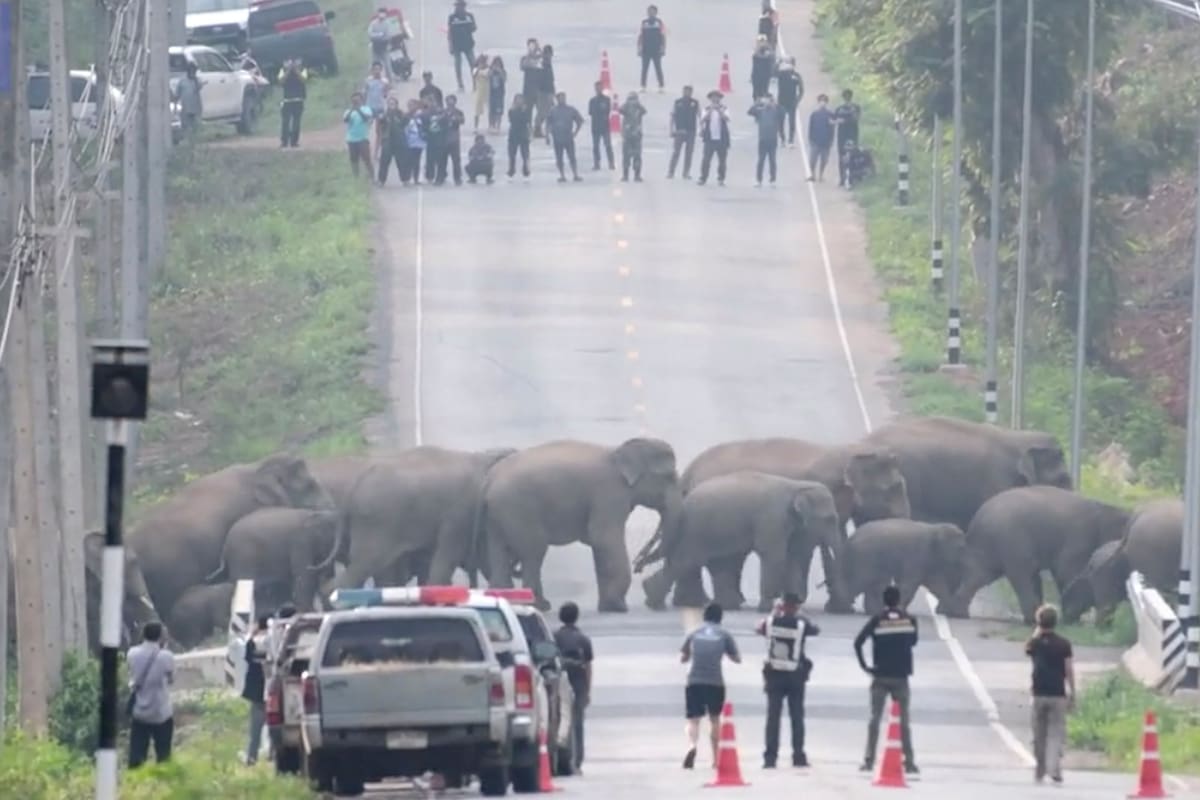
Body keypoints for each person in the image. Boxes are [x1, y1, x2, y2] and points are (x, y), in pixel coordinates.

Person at [853, 585, 919, 775]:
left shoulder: (877, 620)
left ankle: (869, 760)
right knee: (903, 722)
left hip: (880, 676)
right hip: (901, 677)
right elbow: (914, 642)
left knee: (874, 719)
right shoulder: (910, 619)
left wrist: (865, 666)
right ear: (899, 600)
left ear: (883, 601)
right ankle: (910, 762)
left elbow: (858, 642)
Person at [756, 593, 819, 768]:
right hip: (795, 677)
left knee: (772, 718)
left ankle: (770, 758)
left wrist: (774, 613)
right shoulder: (801, 624)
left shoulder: (769, 623)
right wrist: (801, 615)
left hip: (774, 675)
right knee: (797, 717)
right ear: (796, 607)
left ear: (782, 606)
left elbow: (758, 628)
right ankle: (798, 756)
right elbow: (815, 630)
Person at [680, 603, 741, 769]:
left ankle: (692, 746)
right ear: (720, 618)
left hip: (694, 681)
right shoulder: (724, 634)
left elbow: (683, 658)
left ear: (704, 617)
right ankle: (715, 759)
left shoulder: (693, 633)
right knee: (715, 719)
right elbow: (737, 659)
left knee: (693, 720)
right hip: (715, 682)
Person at [1025, 604, 1075, 785]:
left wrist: (1037, 630)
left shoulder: (1034, 643)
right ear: (1056, 622)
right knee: (1055, 732)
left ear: (1039, 622)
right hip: (1057, 693)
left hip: (1038, 693)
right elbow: (1068, 669)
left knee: (1038, 734)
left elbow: (1029, 649)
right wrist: (1073, 692)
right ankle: (1054, 767)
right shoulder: (1064, 644)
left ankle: (1040, 769)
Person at [127, 621, 176, 768]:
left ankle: (135, 782)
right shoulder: (166, 656)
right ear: (161, 637)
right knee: (163, 754)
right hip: (161, 713)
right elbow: (171, 680)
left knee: (137, 754)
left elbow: (132, 674)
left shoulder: (132, 653)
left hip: (140, 712)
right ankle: (162, 779)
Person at [554, 601, 594, 775]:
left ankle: (559, 756)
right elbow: (588, 666)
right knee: (577, 723)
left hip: (558, 682)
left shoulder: (553, 636)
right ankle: (577, 762)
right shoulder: (583, 639)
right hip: (579, 683)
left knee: (559, 720)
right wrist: (587, 691)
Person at [242, 613, 271, 765]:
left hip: (258, 693)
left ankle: (252, 758)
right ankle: (272, 755)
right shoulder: (276, 640)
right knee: (275, 726)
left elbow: (247, 657)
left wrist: (252, 634)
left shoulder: (253, 642)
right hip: (273, 690)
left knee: (256, 729)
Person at [547, 92, 584, 183]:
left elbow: (580, 120)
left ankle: (575, 174)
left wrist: (575, 132)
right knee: (559, 158)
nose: (562, 99)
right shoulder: (553, 111)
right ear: (557, 99)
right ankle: (562, 175)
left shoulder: (570, 110)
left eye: (563, 97)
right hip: (557, 138)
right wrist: (547, 135)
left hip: (568, 137)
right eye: (560, 98)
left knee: (572, 157)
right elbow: (548, 123)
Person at [748, 93, 782, 186]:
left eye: (769, 100)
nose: (767, 102)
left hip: (772, 139)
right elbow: (750, 112)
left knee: (772, 160)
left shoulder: (775, 111)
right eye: (765, 100)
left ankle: (772, 180)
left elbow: (782, 113)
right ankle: (759, 180)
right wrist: (757, 103)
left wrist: (775, 104)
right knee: (761, 160)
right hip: (763, 139)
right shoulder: (760, 111)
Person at [698, 90, 730, 187]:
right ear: (710, 99)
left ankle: (721, 178)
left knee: (722, 160)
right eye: (713, 97)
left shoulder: (724, 108)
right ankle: (703, 177)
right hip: (709, 139)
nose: (715, 99)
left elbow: (727, 118)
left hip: (722, 139)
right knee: (706, 159)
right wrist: (711, 110)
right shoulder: (706, 108)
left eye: (717, 97)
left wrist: (719, 110)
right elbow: (702, 120)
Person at [668, 85, 700, 180]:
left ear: (691, 92)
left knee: (689, 153)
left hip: (691, 131)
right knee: (676, 152)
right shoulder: (677, 102)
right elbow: (672, 117)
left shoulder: (695, 103)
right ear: (683, 92)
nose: (687, 93)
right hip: (679, 131)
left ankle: (686, 172)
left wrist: (702, 128)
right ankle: (671, 171)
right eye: (685, 91)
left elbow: (699, 115)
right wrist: (671, 129)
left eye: (689, 91)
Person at [377, 96, 409, 186]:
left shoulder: (400, 114)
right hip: (388, 141)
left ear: (396, 105)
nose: (392, 105)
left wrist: (397, 117)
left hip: (399, 140)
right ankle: (381, 180)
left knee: (402, 161)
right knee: (384, 161)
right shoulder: (384, 114)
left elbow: (405, 122)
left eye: (393, 104)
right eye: (390, 104)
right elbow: (380, 123)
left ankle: (405, 179)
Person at [833, 88, 862, 187]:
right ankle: (844, 178)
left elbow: (855, 119)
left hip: (846, 135)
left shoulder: (852, 108)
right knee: (845, 156)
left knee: (847, 156)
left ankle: (846, 178)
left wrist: (843, 120)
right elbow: (835, 120)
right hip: (849, 135)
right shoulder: (842, 108)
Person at [343, 92, 375, 180]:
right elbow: (346, 120)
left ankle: (372, 177)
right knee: (354, 160)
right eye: (354, 100)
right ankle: (355, 178)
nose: (355, 101)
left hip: (363, 138)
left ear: (361, 100)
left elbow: (366, 119)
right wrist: (352, 110)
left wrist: (358, 109)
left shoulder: (366, 109)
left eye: (357, 99)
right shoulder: (348, 111)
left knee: (367, 159)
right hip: (351, 139)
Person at [447, 0, 477, 91]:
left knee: (473, 65)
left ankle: (475, 84)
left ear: (464, 6)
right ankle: (460, 84)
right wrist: (450, 45)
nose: (460, 8)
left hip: (468, 44)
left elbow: (474, 28)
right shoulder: (452, 17)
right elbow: (449, 32)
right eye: (458, 6)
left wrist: (470, 25)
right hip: (457, 45)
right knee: (458, 65)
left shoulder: (469, 16)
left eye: (461, 6)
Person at [363, 61, 391, 159]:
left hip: (380, 108)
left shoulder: (385, 82)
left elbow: (385, 95)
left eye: (378, 69)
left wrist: (386, 89)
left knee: (378, 131)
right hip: (369, 108)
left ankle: (376, 153)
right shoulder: (368, 81)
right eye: (375, 69)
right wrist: (363, 107)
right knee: (366, 130)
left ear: (381, 70)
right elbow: (365, 94)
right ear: (372, 70)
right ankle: (366, 151)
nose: (377, 71)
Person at [438, 94, 466, 186]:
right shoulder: (442, 112)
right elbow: (438, 121)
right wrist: (444, 117)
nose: (450, 103)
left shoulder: (458, 112)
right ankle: (440, 178)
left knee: (456, 161)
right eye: (448, 101)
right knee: (442, 160)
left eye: (452, 101)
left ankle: (457, 179)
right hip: (443, 139)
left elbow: (462, 121)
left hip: (454, 139)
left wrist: (455, 118)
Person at [637, 5, 666, 92]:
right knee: (644, 68)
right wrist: (639, 48)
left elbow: (663, 36)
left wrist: (663, 48)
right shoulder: (644, 22)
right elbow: (641, 36)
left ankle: (661, 86)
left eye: (653, 11)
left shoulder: (659, 22)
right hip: (646, 49)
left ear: (656, 12)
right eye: (649, 11)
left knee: (658, 68)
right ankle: (643, 86)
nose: (651, 13)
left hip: (656, 49)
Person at [618, 91, 646, 182]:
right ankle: (625, 175)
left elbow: (644, 111)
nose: (632, 102)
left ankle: (637, 175)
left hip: (637, 135)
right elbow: (620, 110)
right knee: (626, 156)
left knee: (637, 156)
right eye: (630, 99)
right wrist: (627, 104)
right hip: (627, 135)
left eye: (634, 99)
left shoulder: (639, 109)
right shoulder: (625, 108)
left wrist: (638, 104)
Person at [278, 60, 307, 148]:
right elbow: (281, 81)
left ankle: (294, 142)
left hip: (298, 99)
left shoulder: (303, 69)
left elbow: (304, 79)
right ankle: (284, 142)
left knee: (296, 122)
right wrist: (288, 70)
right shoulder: (282, 70)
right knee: (285, 122)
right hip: (287, 100)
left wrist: (295, 70)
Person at [807, 93, 835, 182]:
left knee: (824, 160)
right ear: (818, 102)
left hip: (826, 141)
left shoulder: (830, 114)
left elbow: (832, 129)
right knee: (812, 160)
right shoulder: (814, 114)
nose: (822, 103)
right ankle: (813, 174)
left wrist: (831, 140)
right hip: (815, 141)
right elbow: (810, 127)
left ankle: (821, 175)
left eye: (824, 101)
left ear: (826, 103)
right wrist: (810, 139)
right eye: (821, 101)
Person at [519, 39, 545, 136]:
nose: (532, 48)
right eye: (530, 45)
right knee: (528, 111)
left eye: (534, 45)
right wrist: (529, 54)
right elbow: (523, 66)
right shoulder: (524, 59)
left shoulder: (541, 59)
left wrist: (539, 50)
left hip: (540, 89)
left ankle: (538, 128)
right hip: (528, 89)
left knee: (542, 110)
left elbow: (545, 63)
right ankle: (528, 128)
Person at [775, 57, 803, 147]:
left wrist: (797, 100)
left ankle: (791, 140)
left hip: (791, 102)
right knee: (780, 122)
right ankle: (783, 139)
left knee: (792, 122)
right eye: (786, 63)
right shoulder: (781, 74)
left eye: (789, 63)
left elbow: (801, 89)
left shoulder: (796, 75)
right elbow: (772, 73)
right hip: (781, 101)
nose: (787, 64)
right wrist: (778, 63)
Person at [587, 82, 615, 171]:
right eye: (597, 88)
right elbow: (590, 112)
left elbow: (607, 111)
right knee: (596, 146)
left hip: (605, 126)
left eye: (600, 87)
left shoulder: (607, 100)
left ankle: (611, 163)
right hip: (595, 126)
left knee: (608, 145)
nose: (598, 89)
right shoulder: (592, 101)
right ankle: (596, 163)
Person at [172, 62, 203, 140]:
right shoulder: (182, 81)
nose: (193, 73)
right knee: (185, 128)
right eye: (191, 71)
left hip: (195, 109)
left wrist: (196, 81)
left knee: (195, 128)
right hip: (185, 109)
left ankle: (194, 141)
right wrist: (175, 109)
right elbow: (177, 95)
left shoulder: (197, 80)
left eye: (194, 71)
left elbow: (198, 87)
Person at [507, 93, 532, 178]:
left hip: (523, 134)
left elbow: (527, 121)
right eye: (517, 99)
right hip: (513, 134)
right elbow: (512, 120)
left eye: (521, 99)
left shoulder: (526, 110)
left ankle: (525, 169)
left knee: (525, 154)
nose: (519, 101)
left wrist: (530, 133)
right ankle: (511, 169)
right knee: (512, 154)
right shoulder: (511, 110)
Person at [403, 100, 428, 185]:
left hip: (418, 140)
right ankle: (407, 178)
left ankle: (416, 178)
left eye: (413, 105)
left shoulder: (421, 116)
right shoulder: (405, 116)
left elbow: (425, 126)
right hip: (409, 140)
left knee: (417, 160)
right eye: (409, 105)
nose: (411, 107)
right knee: (408, 160)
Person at [424, 99, 448, 185]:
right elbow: (424, 125)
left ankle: (440, 178)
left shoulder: (443, 114)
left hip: (440, 140)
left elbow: (446, 126)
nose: (432, 105)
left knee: (440, 161)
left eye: (434, 103)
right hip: (430, 140)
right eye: (430, 103)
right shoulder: (426, 114)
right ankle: (429, 176)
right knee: (430, 159)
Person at [538, 44, 557, 143]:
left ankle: (545, 130)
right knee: (543, 112)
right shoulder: (542, 65)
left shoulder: (548, 65)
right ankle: (538, 129)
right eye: (548, 54)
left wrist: (553, 92)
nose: (549, 56)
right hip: (543, 91)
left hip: (548, 91)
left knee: (548, 112)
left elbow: (551, 80)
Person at [750, 36, 776, 101]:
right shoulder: (759, 56)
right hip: (758, 76)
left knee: (761, 92)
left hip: (761, 76)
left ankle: (759, 101)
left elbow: (772, 56)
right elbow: (771, 55)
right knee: (758, 93)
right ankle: (758, 102)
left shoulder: (763, 56)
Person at [367, 8, 392, 72]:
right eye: (381, 13)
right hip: (375, 47)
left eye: (383, 13)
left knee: (387, 66)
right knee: (375, 65)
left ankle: (390, 80)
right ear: (378, 14)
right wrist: (379, 35)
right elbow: (370, 34)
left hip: (384, 47)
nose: (382, 15)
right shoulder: (373, 23)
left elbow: (388, 36)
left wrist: (378, 37)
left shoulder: (387, 23)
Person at [488, 56, 507, 132]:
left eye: (498, 64)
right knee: (491, 110)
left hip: (500, 94)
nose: (497, 65)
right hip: (492, 93)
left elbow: (504, 79)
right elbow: (487, 76)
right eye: (495, 64)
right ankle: (491, 125)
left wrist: (500, 72)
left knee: (499, 110)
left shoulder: (503, 71)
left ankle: (498, 125)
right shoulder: (491, 71)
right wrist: (492, 70)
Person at [472, 54, 490, 130]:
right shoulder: (475, 69)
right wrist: (479, 68)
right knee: (477, 110)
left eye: (484, 61)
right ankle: (476, 126)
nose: (482, 63)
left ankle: (490, 125)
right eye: (481, 61)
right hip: (479, 90)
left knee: (490, 108)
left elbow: (489, 75)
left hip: (487, 90)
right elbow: (474, 76)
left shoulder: (488, 69)